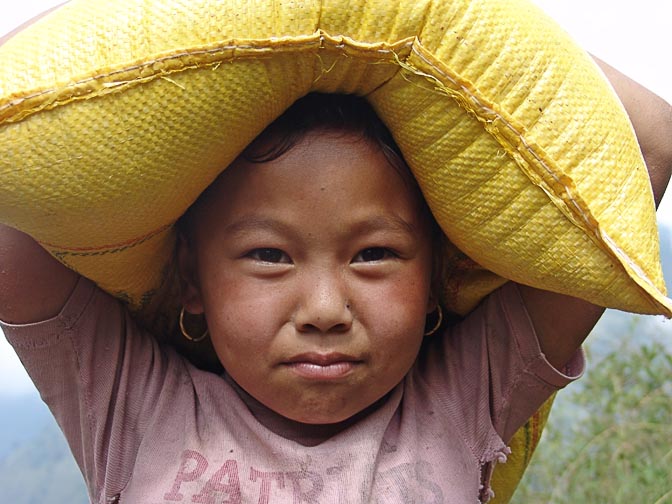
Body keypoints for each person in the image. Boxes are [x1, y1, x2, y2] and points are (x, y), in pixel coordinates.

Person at [0, 61, 670, 503]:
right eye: (269, 255)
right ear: (190, 279)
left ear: (435, 276)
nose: (324, 309)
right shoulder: (128, 405)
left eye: (374, 253)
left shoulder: (465, 400)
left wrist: (414, 29)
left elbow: (647, 144)